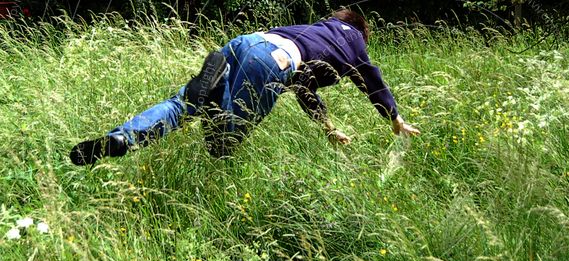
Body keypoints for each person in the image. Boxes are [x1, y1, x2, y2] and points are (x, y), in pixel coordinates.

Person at [69, 8, 420, 166]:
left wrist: (328, 127)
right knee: (223, 144)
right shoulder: (355, 41)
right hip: (272, 63)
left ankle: (122, 138)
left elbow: (304, 89)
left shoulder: (317, 29)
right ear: (361, 32)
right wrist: (395, 118)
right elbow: (373, 80)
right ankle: (216, 141)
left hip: (244, 43)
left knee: (183, 105)